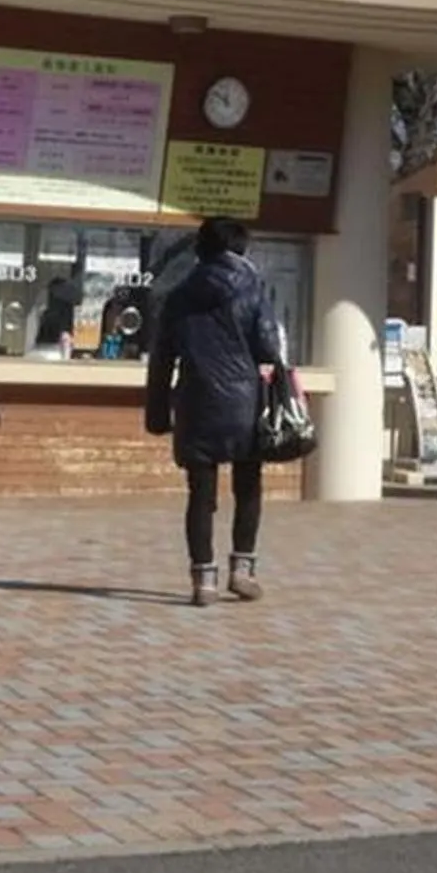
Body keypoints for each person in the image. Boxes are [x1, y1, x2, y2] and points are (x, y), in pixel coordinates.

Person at [145, 217, 285, 607]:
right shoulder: (252, 290)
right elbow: (269, 348)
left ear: (200, 250)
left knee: (200, 495)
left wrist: (157, 413)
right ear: (240, 249)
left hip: (195, 401)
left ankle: (203, 580)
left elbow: (161, 359)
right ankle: (243, 570)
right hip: (245, 402)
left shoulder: (178, 295)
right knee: (248, 487)